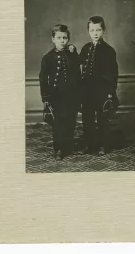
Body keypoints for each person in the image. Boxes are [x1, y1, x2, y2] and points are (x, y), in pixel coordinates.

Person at [39, 24, 81, 160]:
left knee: (70, 121)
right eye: (59, 38)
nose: (62, 40)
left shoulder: (71, 54)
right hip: (56, 96)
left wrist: (74, 51)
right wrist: (45, 97)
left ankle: (68, 147)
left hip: (71, 95)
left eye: (65, 38)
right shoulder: (48, 57)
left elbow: (78, 69)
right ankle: (58, 149)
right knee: (58, 124)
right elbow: (43, 78)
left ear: (68, 39)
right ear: (53, 39)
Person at [80, 16, 119, 155]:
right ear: (88, 32)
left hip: (102, 91)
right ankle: (90, 144)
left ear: (104, 31)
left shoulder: (109, 51)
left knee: (102, 118)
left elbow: (113, 74)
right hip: (87, 90)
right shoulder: (85, 48)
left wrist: (109, 93)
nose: (95, 33)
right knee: (87, 118)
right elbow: (78, 63)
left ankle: (104, 145)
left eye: (98, 30)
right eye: (92, 30)